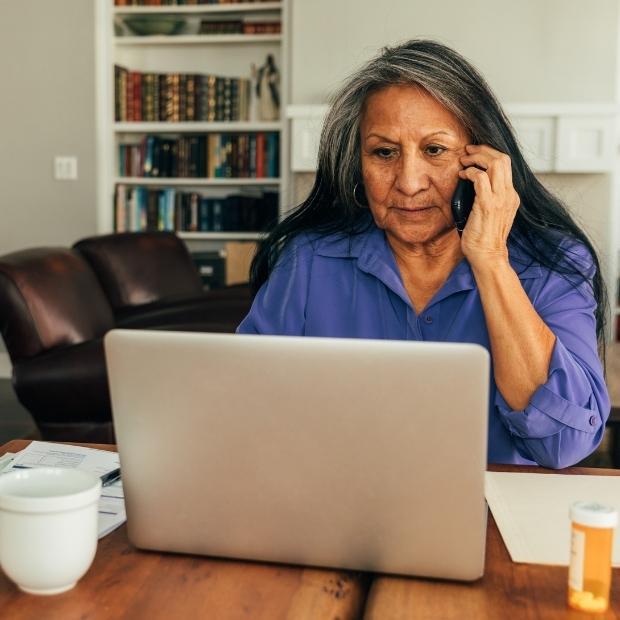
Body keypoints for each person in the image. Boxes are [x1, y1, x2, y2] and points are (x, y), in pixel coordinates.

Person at [237, 39, 610, 469]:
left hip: (489, 521)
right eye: (384, 152)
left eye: (434, 150)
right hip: (340, 516)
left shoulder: (552, 264)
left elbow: (564, 445)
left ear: (482, 161)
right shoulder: (309, 261)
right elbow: (247, 411)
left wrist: (491, 261)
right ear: (357, 164)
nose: (409, 182)